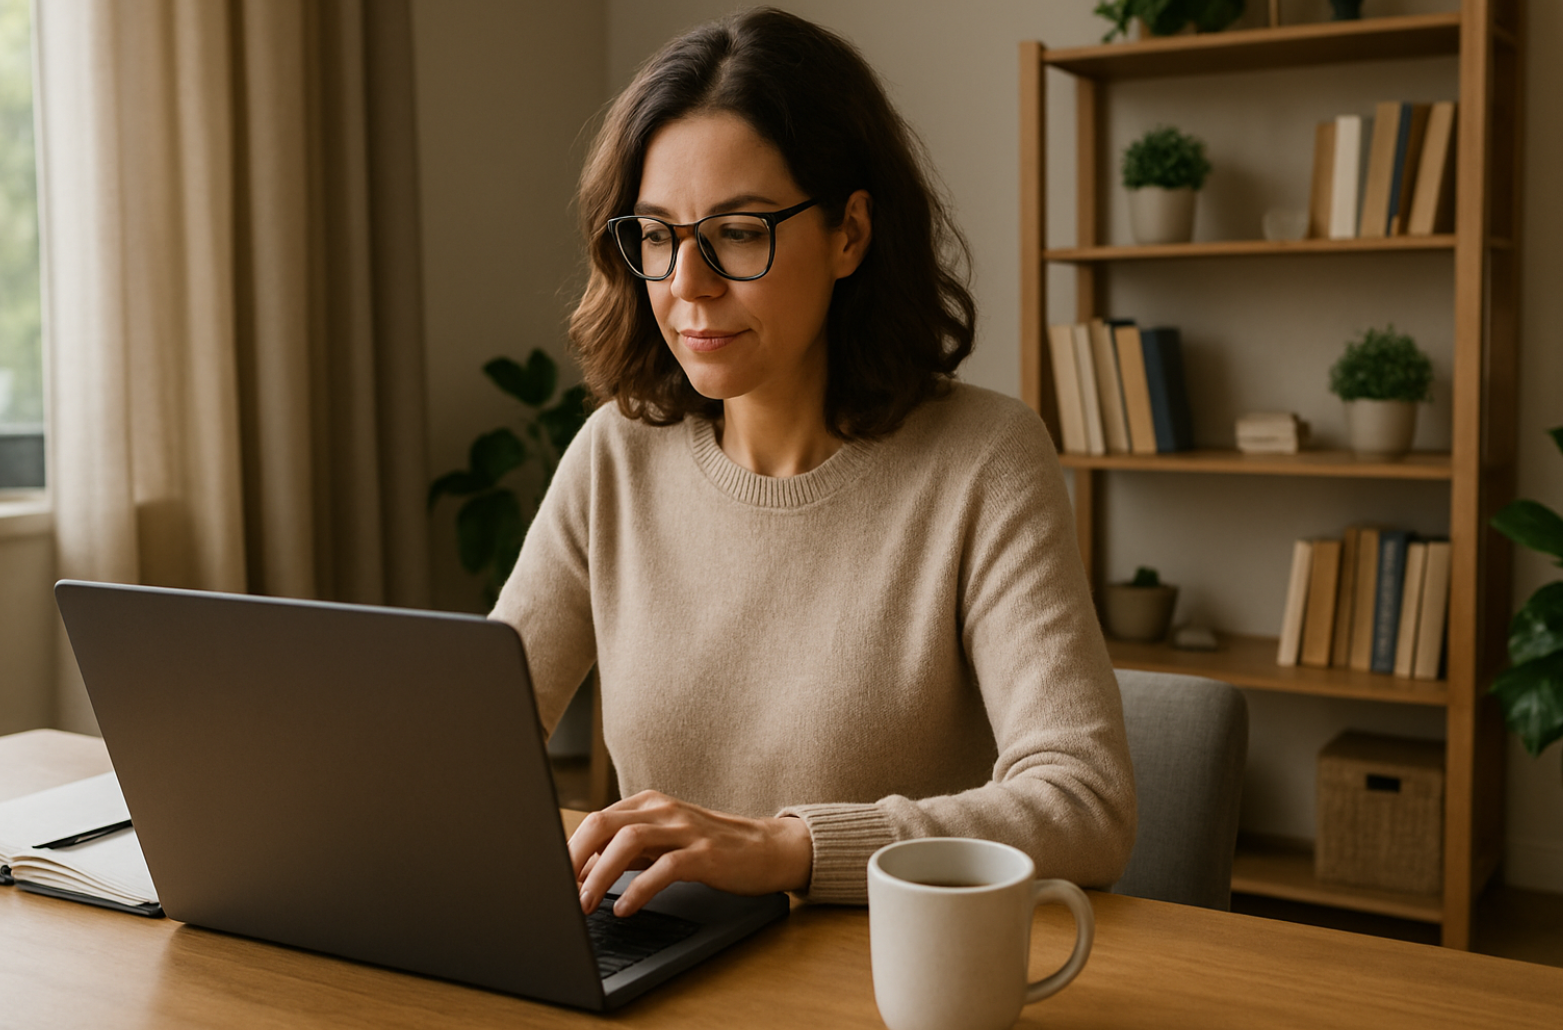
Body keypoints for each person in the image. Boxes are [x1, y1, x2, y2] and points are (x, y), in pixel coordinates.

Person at [491, 7, 1134, 918]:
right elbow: (476, 743)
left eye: (741, 232)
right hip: (665, 969)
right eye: (659, 234)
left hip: (886, 983)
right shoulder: (614, 456)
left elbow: (1085, 804)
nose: (687, 285)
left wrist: (789, 847)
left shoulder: (983, 459)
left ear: (849, 234)